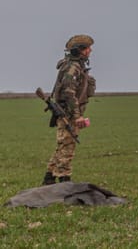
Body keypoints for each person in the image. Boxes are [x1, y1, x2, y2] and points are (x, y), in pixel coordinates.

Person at [43, 35, 96, 185]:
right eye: (87, 48)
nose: (90, 51)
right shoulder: (73, 67)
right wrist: (77, 115)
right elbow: (69, 92)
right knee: (67, 147)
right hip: (69, 113)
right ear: (79, 50)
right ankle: (64, 181)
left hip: (69, 112)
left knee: (63, 145)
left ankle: (49, 179)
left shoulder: (75, 66)